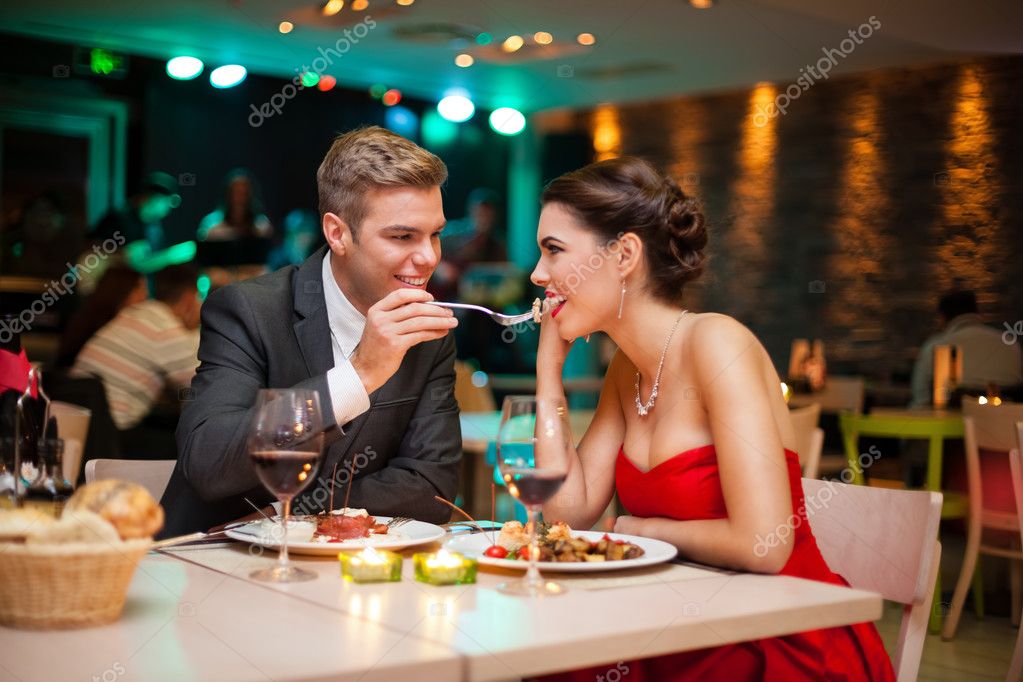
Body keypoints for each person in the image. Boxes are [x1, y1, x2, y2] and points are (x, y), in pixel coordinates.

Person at [528, 157, 894, 681]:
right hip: (683, 622)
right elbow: (570, 511)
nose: (537, 274)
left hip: (777, 638)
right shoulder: (626, 371)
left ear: (625, 254)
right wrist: (547, 374)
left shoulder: (719, 344)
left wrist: (638, 528)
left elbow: (763, 546)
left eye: (553, 250)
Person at [159, 126, 462, 537]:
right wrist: (358, 376)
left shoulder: (428, 332)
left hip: (347, 577)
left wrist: (293, 511)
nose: (428, 257)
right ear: (337, 233)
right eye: (402, 236)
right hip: (212, 564)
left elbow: (432, 487)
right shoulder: (250, 311)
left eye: (436, 234)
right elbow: (210, 462)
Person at [71, 265, 200, 459]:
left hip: (81, 427)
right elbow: (198, 387)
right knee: (194, 451)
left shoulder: (138, 313)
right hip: (113, 434)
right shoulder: (166, 329)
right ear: (189, 300)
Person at [910, 290, 1022, 407]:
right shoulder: (1010, 343)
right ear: (978, 313)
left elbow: (921, 399)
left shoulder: (939, 346)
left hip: (953, 421)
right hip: (1007, 419)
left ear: (942, 318)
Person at [56, 265, 148, 368]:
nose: (144, 296)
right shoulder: (108, 326)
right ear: (124, 290)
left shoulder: (87, 316)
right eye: (141, 289)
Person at [197, 168, 273, 241]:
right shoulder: (212, 226)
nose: (240, 198)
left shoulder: (261, 225)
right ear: (227, 195)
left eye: (244, 193)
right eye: (236, 193)